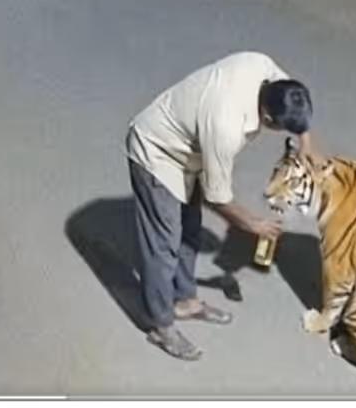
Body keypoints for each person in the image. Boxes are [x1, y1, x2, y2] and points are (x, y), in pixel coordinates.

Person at [125, 51, 315, 361]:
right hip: (157, 152)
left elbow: (295, 98)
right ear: (268, 120)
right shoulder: (226, 123)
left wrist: (305, 142)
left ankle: (185, 300)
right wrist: (253, 224)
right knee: (163, 244)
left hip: (191, 150)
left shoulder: (262, 68)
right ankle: (160, 325)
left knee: (189, 229)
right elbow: (218, 198)